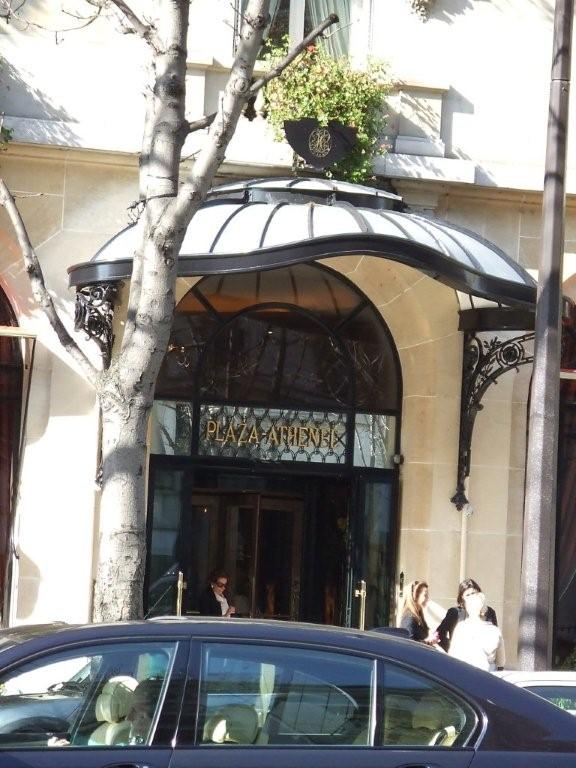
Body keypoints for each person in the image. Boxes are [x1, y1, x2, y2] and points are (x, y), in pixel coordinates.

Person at [448, 589, 505, 672]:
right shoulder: (495, 631)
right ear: (484, 609)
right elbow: (501, 662)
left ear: (468, 608)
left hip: (464, 674)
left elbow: (452, 656)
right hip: (488, 675)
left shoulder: (461, 628)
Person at [437, 578, 498, 653]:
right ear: (462, 597)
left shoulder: (489, 612)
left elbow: (495, 638)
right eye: (468, 595)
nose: (471, 597)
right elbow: (439, 634)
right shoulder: (454, 613)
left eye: (473, 593)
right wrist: (451, 649)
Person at [399, 580, 438, 644]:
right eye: (425, 595)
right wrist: (428, 642)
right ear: (415, 596)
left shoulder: (418, 614)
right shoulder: (409, 617)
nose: (428, 598)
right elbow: (409, 643)